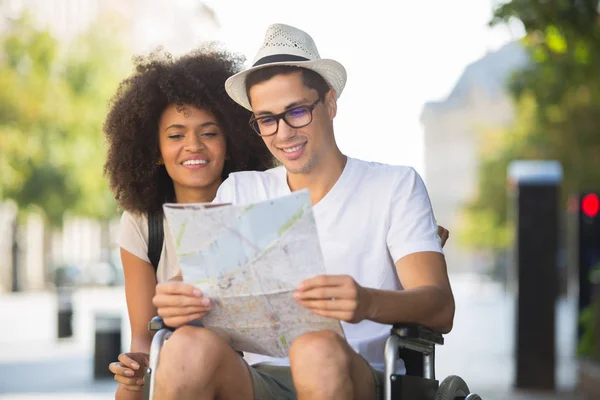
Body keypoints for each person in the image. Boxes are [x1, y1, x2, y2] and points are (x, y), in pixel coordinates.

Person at [151, 24, 455, 400]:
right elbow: (188, 289)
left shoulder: (393, 187)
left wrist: (367, 301)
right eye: (267, 119)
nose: (282, 133)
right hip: (258, 379)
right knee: (183, 347)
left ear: (329, 103)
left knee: (315, 348)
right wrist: (175, 299)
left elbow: (441, 307)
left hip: (356, 375)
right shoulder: (243, 190)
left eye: (296, 112)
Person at [102, 46, 274, 400]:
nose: (192, 146)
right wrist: (134, 368)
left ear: (231, 142)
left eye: (208, 133)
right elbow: (144, 337)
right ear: (155, 150)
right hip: (177, 373)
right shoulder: (142, 222)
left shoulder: (259, 205)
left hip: (252, 375)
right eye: (176, 135)